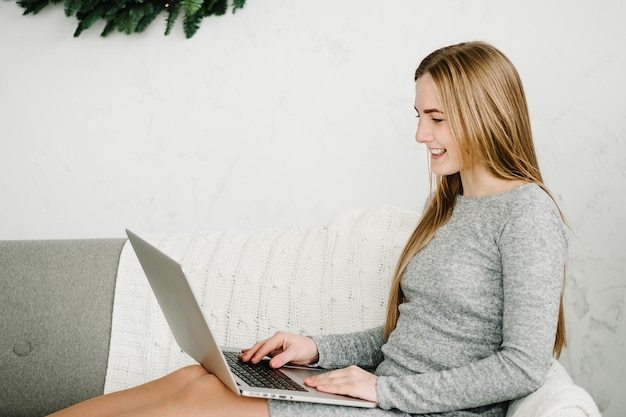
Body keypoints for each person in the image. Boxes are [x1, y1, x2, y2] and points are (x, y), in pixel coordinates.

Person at [49, 41, 568, 417]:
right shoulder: (451, 207)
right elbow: (409, 339)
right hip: (382, 393)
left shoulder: (527, 214)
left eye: (436, 118)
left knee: (207, 405)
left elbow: (524, 366)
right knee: (199, 377)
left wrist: (383, 393)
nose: (418, 134)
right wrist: (316, 349)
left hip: (423, 410)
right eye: (418, 115)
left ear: (483, 114)